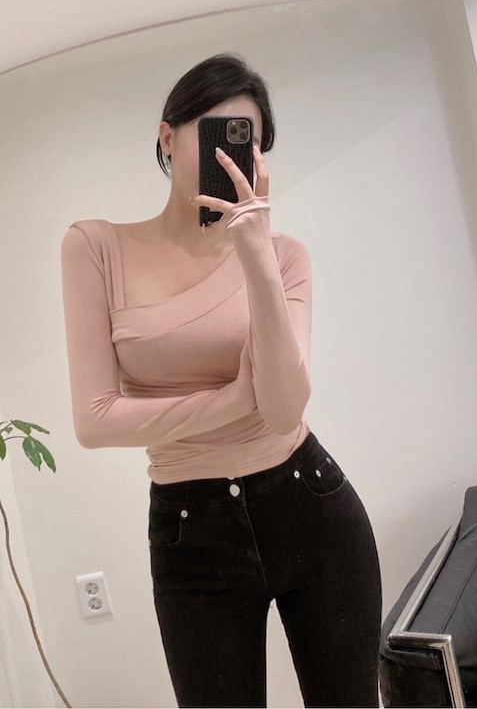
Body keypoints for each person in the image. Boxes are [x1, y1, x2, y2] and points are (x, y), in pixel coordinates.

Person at [60, 53, 382, 708]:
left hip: (309, 505)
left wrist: (254, 251)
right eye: (213, 132)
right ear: (166, 136)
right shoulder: (95, 247)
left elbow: (284, 409)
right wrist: (236, 400)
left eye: (246, 141)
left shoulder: (284, 256)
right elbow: (94, 421)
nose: (228, 155)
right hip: (190, 531)